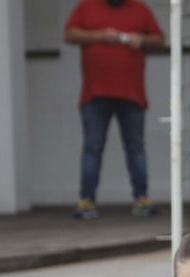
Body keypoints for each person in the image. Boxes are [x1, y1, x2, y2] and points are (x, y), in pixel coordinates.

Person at [63, 0, 164, 220]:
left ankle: (142, 197)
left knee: (135, 147)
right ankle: (86, 199)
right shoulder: (86, 7)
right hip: (95, 94)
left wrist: (141, 40)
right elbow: (69, 34)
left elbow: (159, 40)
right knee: (93, 147)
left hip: (132, 94)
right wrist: (100, 36)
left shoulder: (140, 9)